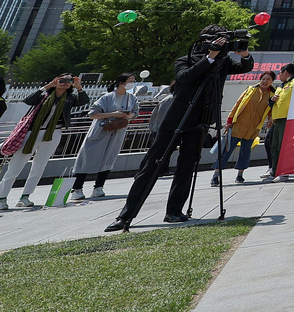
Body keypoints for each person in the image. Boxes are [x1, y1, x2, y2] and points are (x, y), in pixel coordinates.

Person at [106, 28, 253, 231]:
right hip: (177, 117)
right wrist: (209, 58)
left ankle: (174, 211)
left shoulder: (223, 63)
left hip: (201, 118)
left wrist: (244, 53)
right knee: (152, 164)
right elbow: (184, 77)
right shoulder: (185, 60)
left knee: (187, 166)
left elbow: (245, 67)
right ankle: (126, 215)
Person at [1, 74, 89, 209]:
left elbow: (83, 101)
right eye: (62, 80)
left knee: (39, 166)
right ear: (55, 80)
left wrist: (79, 87)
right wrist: (48, 86)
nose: (65, 83)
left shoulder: (70, 98)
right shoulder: (44, 95)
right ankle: (2, 197)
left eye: (68, 81)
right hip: (32, 132)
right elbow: (28, 100)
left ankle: (25, 196)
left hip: (53, 132)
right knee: (15, 166)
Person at [72, 72, 138, 200]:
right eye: (131, 81)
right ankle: (77, 188)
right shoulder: (106, 97)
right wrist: (113, 114)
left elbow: (135, 112)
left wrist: (127, 116)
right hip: (101, 130)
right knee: (87, 158)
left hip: (117, 132)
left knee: (108, 159)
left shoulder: (132, 98)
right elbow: (92, 114)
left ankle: (99, 187)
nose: (133, 83)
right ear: (122, 83)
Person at [213, 70, 277, 186]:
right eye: (263, 79)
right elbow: (237, 104)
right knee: (226, 150)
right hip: (238, 125)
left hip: (253, 128)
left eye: (268, 79)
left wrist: (271, 119)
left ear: (272, 81)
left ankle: (240, 175)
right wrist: (229, 121)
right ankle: (216, 175)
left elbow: (271, 110)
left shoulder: (273, 94)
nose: (265, 81)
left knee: (245, 152)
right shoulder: (250, 90)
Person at [263, 63, 294, 180]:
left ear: (286, 73)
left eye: (280, 73)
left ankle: (284, 172)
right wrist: (272, 100)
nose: (279, 75)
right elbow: (272, 104)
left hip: (287, 119)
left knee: (283, 146)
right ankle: (275, 171)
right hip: (277, 119)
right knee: (274, 146)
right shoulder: (280, 87)